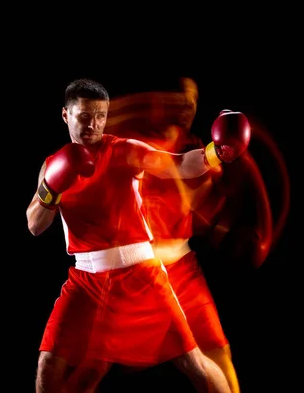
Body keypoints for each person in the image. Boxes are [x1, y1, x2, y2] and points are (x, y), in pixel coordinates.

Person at [26, 78, 251, 393]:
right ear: (66, 115)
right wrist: (51, 187)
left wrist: (216, 154)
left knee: (193, 362)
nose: (93, 124)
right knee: (48, 364)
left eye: (100, 117)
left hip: (140, 274)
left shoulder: (123, 150)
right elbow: (35, 225)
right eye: (84, 116)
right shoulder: (50, 166)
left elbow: (179, 165)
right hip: (86, 282)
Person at [105, 77, 241, 392]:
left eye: (192, 103)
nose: (187, 109)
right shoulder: (128, 141)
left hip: (182, 265)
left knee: (216, 353)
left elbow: (200, 207)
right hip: (136, 270)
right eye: (180, 101)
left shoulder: (197, 147)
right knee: (95, 363)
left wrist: (225, 219)